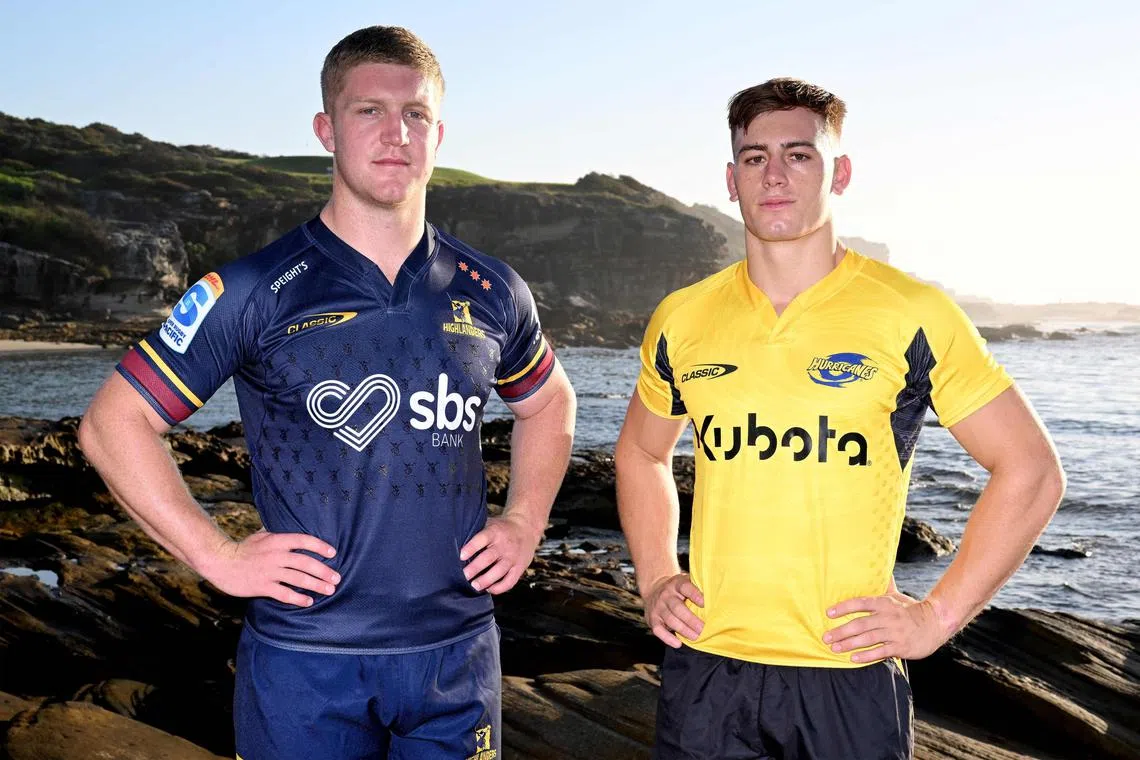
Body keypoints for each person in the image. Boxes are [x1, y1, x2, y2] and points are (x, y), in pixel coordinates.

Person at [78, 25, 576, 760]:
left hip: (457, 659)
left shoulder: (493, 289)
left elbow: (549, 403)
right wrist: (217, 555)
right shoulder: (249, 289)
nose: (394, 133)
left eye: (414, 114)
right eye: (367, 110)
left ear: (438, 133)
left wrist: (525, 522)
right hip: (307, 665)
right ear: (326, 129)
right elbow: (112, 424)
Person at [614, 78, 1064, 759]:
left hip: (846, 674)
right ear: (731, 179)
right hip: (707, 668)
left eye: (799, 155)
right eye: (755, 157)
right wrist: (653, 577)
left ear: (840, 172)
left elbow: (1031, 471)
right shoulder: (683, 317)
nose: (775, 175)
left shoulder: (911, 311)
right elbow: (640, 455)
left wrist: (935, 617)